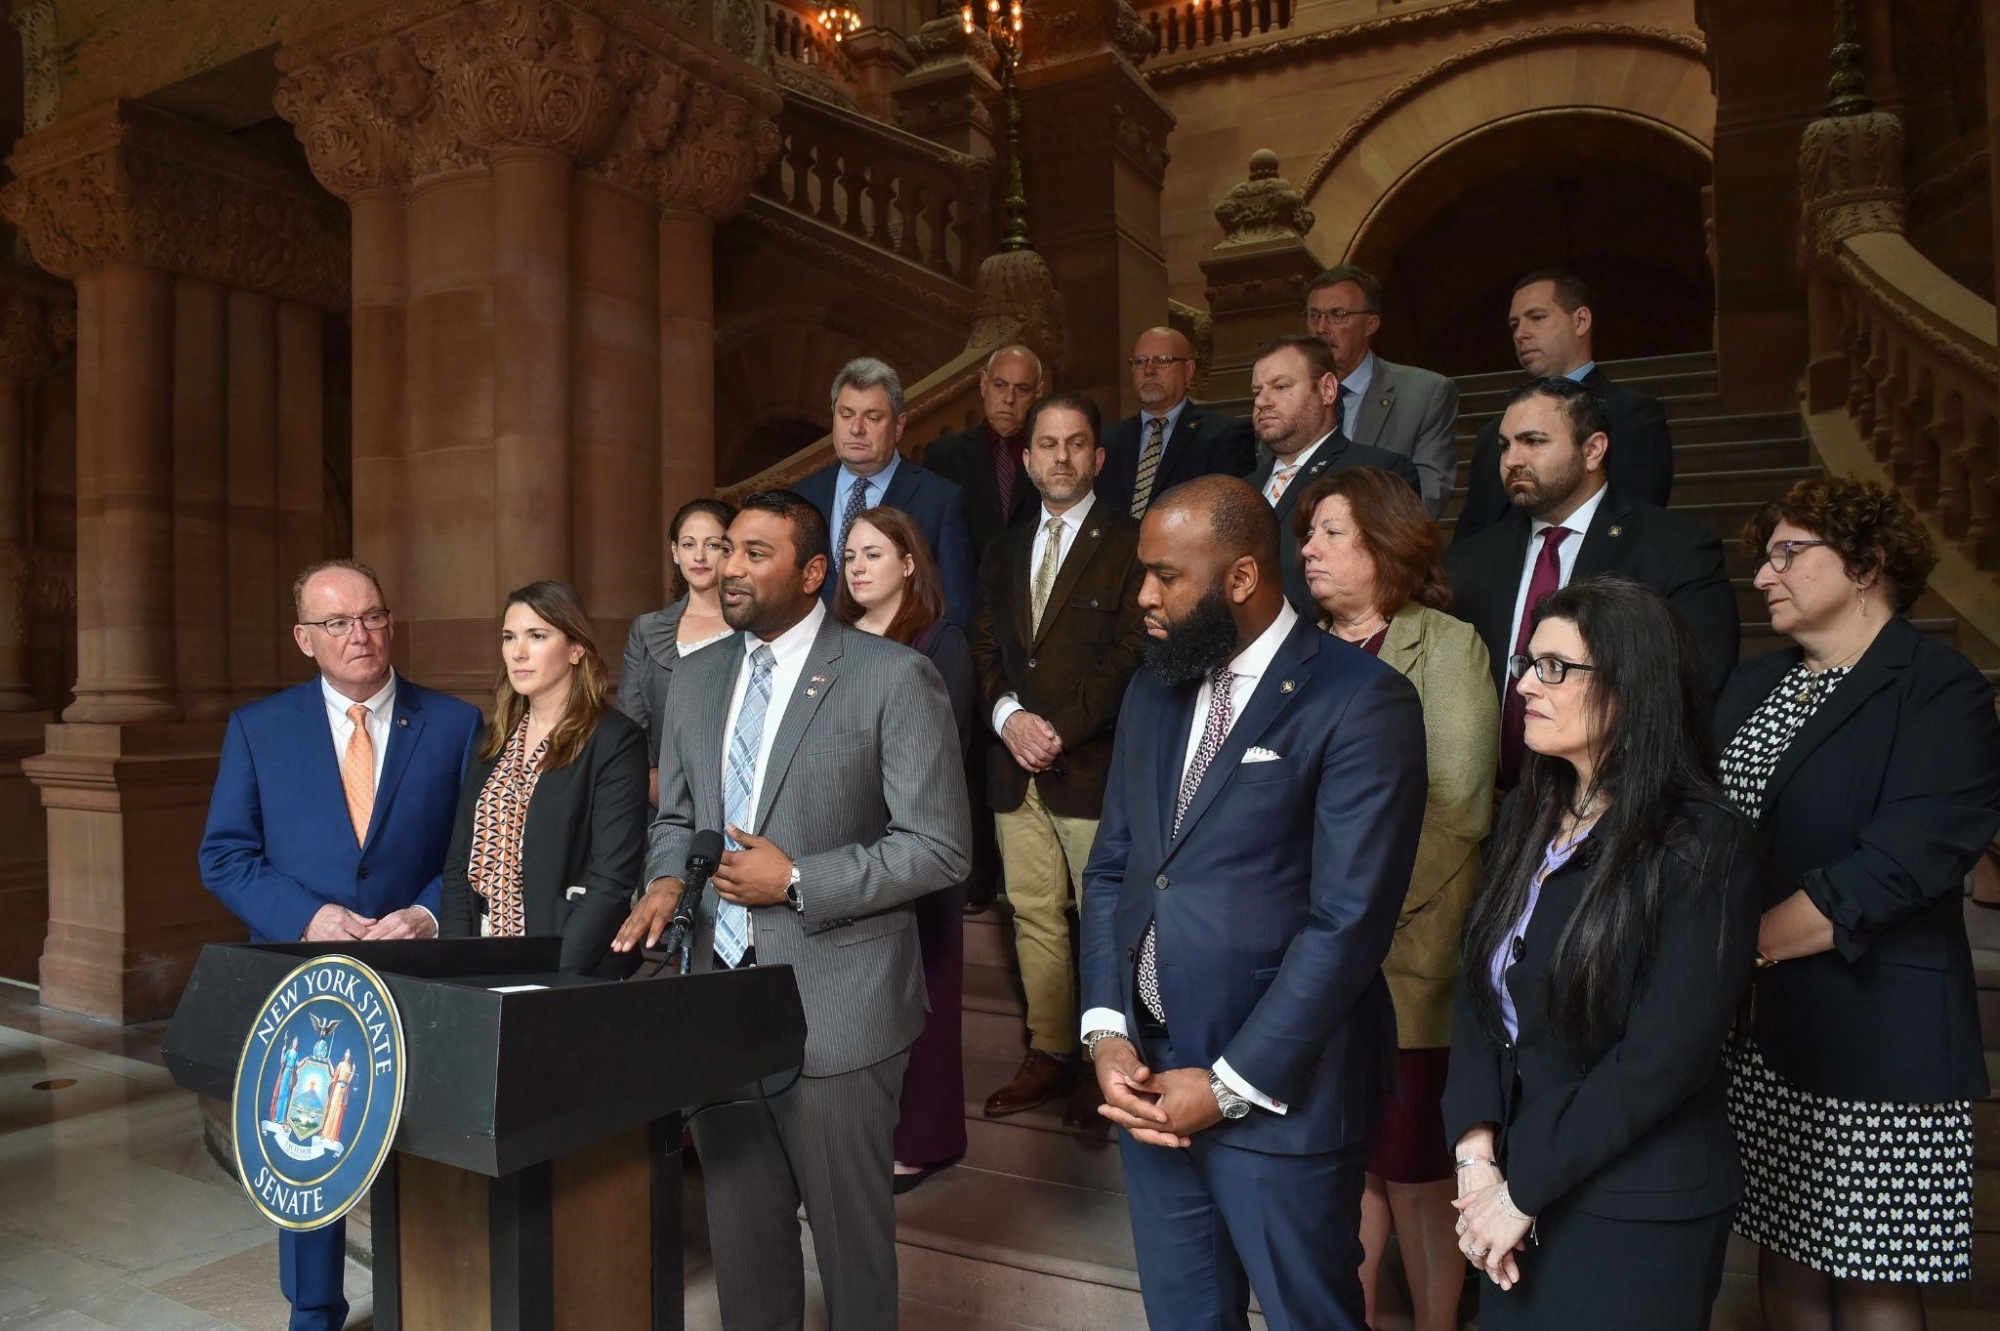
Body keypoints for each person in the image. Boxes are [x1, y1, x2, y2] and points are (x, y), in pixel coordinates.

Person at [611, 490, 971, 1330]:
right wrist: (665, 880)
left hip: (841, 1008)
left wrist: (800, 879)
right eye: (725, 549)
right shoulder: (695, 676)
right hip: (718, 999)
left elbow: (939, 846)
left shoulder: (892, 676)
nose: (727, 568)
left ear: (813, 573)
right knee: (745, 1256)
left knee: (851, 1261)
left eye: (754, 553)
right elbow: (676, 818)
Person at [1078, 475, 1428, 1330]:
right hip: (1150, 1083)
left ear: (1241, 577)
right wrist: (1106, 1029)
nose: (1144, 595)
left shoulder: (1361, 698)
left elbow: (1349, 922)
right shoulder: (1152, 687)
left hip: (1282, 1094)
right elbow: (1116, 867)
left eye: (1167, 575)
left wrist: (1230, 1084)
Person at [1715, 476, 2000, 1330]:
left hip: (1879, 1026)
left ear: (1867, 563)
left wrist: (1741, 947)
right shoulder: (1751, 686)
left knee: (1876, 1275)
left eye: (1787, 553)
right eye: (1763, 557)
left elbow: (1901, 863)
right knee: (1787, 1252)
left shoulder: (1940, 688)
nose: (1763, 575)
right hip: (1764, 1031)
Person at [1443, 577, 1760, 1330]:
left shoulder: (1704, 840)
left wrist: (1520, 1193)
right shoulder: (1529, 811)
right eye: (1529, 662)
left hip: (1634, 1204)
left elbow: (1662, 1058)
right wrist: (1477, 1158)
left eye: (1555, 668)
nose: (1525, 685)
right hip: (1511, 1184)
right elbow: (1480, 989)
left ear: (1632, 685)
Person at [198, 559, 481, 1331]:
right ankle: (314, 1310)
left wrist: (427, 914)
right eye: (337, 622)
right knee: (306, 1148)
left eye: (373, 616)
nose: (360, 635)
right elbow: (224, 855)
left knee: (421, 1145)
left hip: (417, 970)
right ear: (304, 638)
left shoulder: (455, 724)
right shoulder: (259, 729)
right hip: (304, 975)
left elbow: (470, 855)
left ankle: (427, 1302)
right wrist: (304, 915)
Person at [1293, 468, 1497, 1331]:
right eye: (1308, 534)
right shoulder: (1298, 650)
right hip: (1308, 956)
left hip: (1409, 952)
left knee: (1414, 1168)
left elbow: (1457, 808)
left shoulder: (1446, 645)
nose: (1309, 549)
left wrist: (1353, 918)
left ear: (1385, 542)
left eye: (1331, 532)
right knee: (1347, 1165)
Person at [968, 391, 1146, 1126]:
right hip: (1015, 769)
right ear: (1028, 457)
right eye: (1047, 444)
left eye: (1075, 443)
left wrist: (1056, 730)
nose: (1061, 456)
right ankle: (1050, 1052)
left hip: (1093, 768)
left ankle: (1109, 1060)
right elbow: (984, 644)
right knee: (1033, 913)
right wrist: (1008, 718)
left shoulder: (1132, 541)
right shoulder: (1004, 548)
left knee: (1104, 918)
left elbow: (1132, 651)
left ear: (1097, 457)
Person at [1446, 376, 1736, 784]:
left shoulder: (1675, 549)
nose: (1512, 460)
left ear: (1593, 450)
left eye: (1534, 441)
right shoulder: (1469, 559)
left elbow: (1693, 688)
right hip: (1487, 804)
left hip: (1614, 796)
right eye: (1505, 445)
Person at [835, 504, 976, 1193]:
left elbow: (947, 753)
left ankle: (922, 1139)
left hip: (919, 843)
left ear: (909, 563)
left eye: (873, 554)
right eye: (850, 556)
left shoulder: (938, 641)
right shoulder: (833, 639)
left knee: (926, 995)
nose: (858, 568)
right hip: (846, 844)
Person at [440, 581, 649, 976]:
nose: (518, 652)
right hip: (481, 954)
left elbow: (611, 881)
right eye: (509, 637)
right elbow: (457, 868)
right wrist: (455, 965)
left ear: (576, 649)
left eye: (537, 636)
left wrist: (549, 976)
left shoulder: (614, 740)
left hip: (567, 963)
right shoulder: (491, 740)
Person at [1457, 270, 1674, 540]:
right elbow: (1471, 534)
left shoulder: (1632, 414)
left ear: (1581, 321)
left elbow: (1635, 524)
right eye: (1514, 325)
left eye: (1537, 317)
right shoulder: (1493, 433)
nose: (1520, 334)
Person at [1242, 334, 1421, 614]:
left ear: (1327, 389)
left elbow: (1390, 583)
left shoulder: (1377, 472)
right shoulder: (1241, 489)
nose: (1262, 401)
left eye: (1280, 386)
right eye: (1257, 391)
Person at [794, 357, 978, 627]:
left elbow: (955, 610)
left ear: (898, 426)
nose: (856, 429)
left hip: (902, 651)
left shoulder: (940, 500)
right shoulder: (802, 496)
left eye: (872, 417)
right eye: (846, 415)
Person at [1304, 265, 1459, 517]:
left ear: (1370, 325)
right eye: (1313, 315)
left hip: (1381, 536)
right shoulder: (1291, 395)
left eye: (1337, 315)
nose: (1321, 327)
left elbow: (1429, 496)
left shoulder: (1424, 393)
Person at [616, 497, 737, 806]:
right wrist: (651, 779)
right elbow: (631, 721)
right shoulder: (646, 629)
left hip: (739, 788)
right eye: (688, 544)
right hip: (661, 797)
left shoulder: (754, 627)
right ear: (674, 552)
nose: (699, 556)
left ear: (730, 550)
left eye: (713, 545)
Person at [1094, 325, 1258, 517]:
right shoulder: (1106, 440)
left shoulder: (1225, 435)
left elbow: (1232, 516)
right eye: (1140, 362)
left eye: (1162, 360)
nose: (1148, 370)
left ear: (1188, 371)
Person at [921, 344, 1044, 554]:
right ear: (983, 384)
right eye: (1000, 385)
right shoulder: (943, 455)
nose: (1009, 399)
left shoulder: (1049, 455)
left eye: (1022, 389)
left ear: (1038, 392)